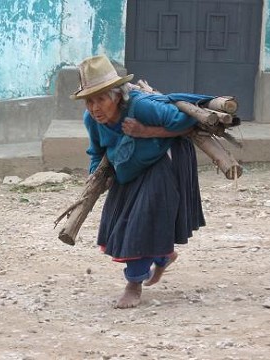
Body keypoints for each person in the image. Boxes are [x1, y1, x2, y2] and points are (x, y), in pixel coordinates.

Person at [71, 54, 211, 309]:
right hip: (128, 165)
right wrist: (96, 177)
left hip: (162, 158)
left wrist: (146, 131)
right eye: (89, 101)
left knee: (142, 218)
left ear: (117, 95)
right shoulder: (92, 120)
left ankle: (133, 285)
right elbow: (96, 151)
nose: (95, 107)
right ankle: (162, 256)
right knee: (121, 220)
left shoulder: (143, 106)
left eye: (101, 99)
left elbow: (187, 122)